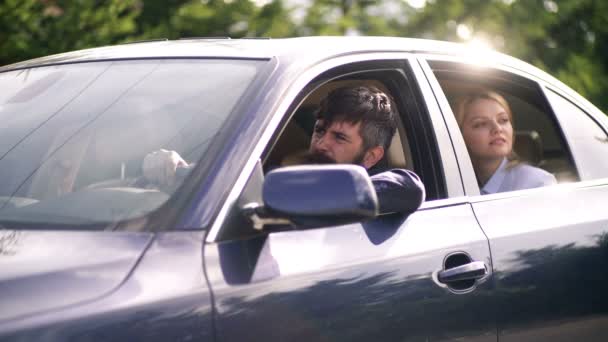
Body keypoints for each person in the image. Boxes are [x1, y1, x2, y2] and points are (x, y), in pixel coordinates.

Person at [143, 85, 425, 215]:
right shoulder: (281, 174)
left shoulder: (397, 186)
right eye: (319, 130)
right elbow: (247, 187)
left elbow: (408, 187)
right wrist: (178, 171)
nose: (322, 143)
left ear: (372, 156)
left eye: (339, 137)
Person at [455, 88, 556, 194]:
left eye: (503, 120)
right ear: (459, 136)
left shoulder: (538, 183)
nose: (497, 128)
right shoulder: (451, 184)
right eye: (481, 124)